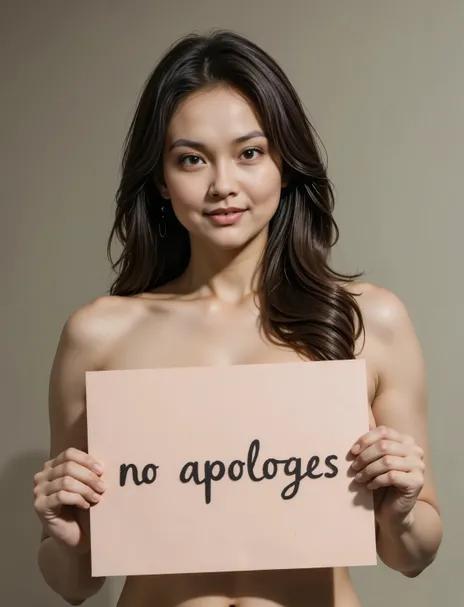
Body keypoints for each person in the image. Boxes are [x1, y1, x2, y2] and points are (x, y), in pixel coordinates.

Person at [33, 29, 442, 607]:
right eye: (191, 159)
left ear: (284, 162)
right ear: (160, 179)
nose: (223, 185)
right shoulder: (99, 334)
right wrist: (68, 539)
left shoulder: (368, 319)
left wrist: (402, 508)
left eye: (249, 153)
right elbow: (74, 583)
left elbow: (414, 555)